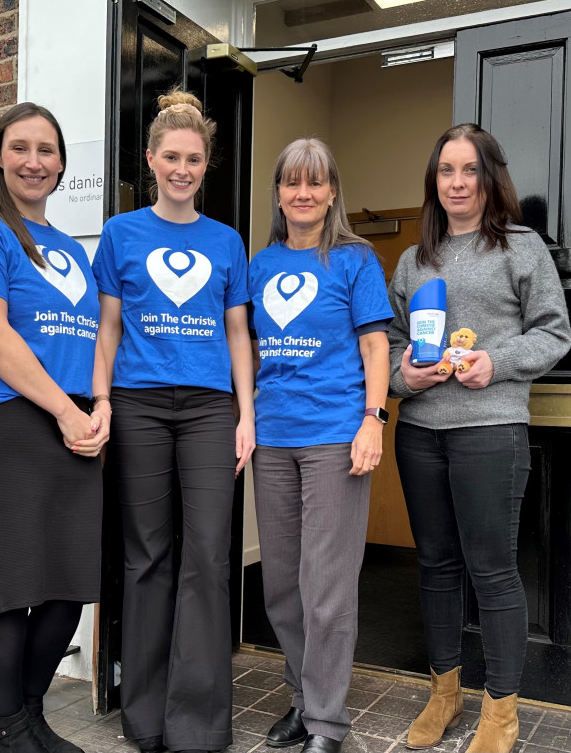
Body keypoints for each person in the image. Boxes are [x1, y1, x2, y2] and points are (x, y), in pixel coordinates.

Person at [388, 124, 571, 753]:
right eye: (446, 171)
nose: (457, 183)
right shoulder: (415, 259)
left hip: (490, 430)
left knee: (493, 573)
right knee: (436, 568)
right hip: (419, 434)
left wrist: (497, 361)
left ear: (490, 178)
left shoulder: (521, 247)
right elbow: (386, 345)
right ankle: (445, 693)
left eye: (469, 170)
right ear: (433, 181)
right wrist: (401, 376)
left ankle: (501, 711)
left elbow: (554, 332)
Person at [93, 89, 255, 753]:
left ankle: (200, 721)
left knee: (208, 557)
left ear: (206, 163)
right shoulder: (120, 233)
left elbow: (238, 332)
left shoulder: (226, 241)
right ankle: (146, 716)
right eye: (171, 157)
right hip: (138, 403)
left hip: (210, 407)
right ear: (152, 160)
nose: (182, 168)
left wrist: (248, 413)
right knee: (146, 557)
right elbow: (107, 327)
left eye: (194, 158)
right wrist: (100, 398)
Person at [0, 102, 109, 753]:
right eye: (20, 148)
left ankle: (33, 712)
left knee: (69, 585)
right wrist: (66, 409)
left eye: (47, 150)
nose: (34, 160)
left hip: (75, 425)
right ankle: (10, 727)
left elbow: (98, 336)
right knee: (12, 586)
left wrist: (101, 405)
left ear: (63, 164)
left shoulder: (74, 249)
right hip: (11, 420)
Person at [248, 138, 392, 753]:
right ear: (279, 194)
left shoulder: (355, 260)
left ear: (332, 191)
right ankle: (303, 703)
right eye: (291, 183)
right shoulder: (259, 265)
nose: (302, 194)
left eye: (315, 183)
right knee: (282, 585)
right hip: (273, 438)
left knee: (327, 588)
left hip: (336, 435)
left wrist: (373, 419)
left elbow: (376, 347)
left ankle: (328, 724)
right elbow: (247, 349)